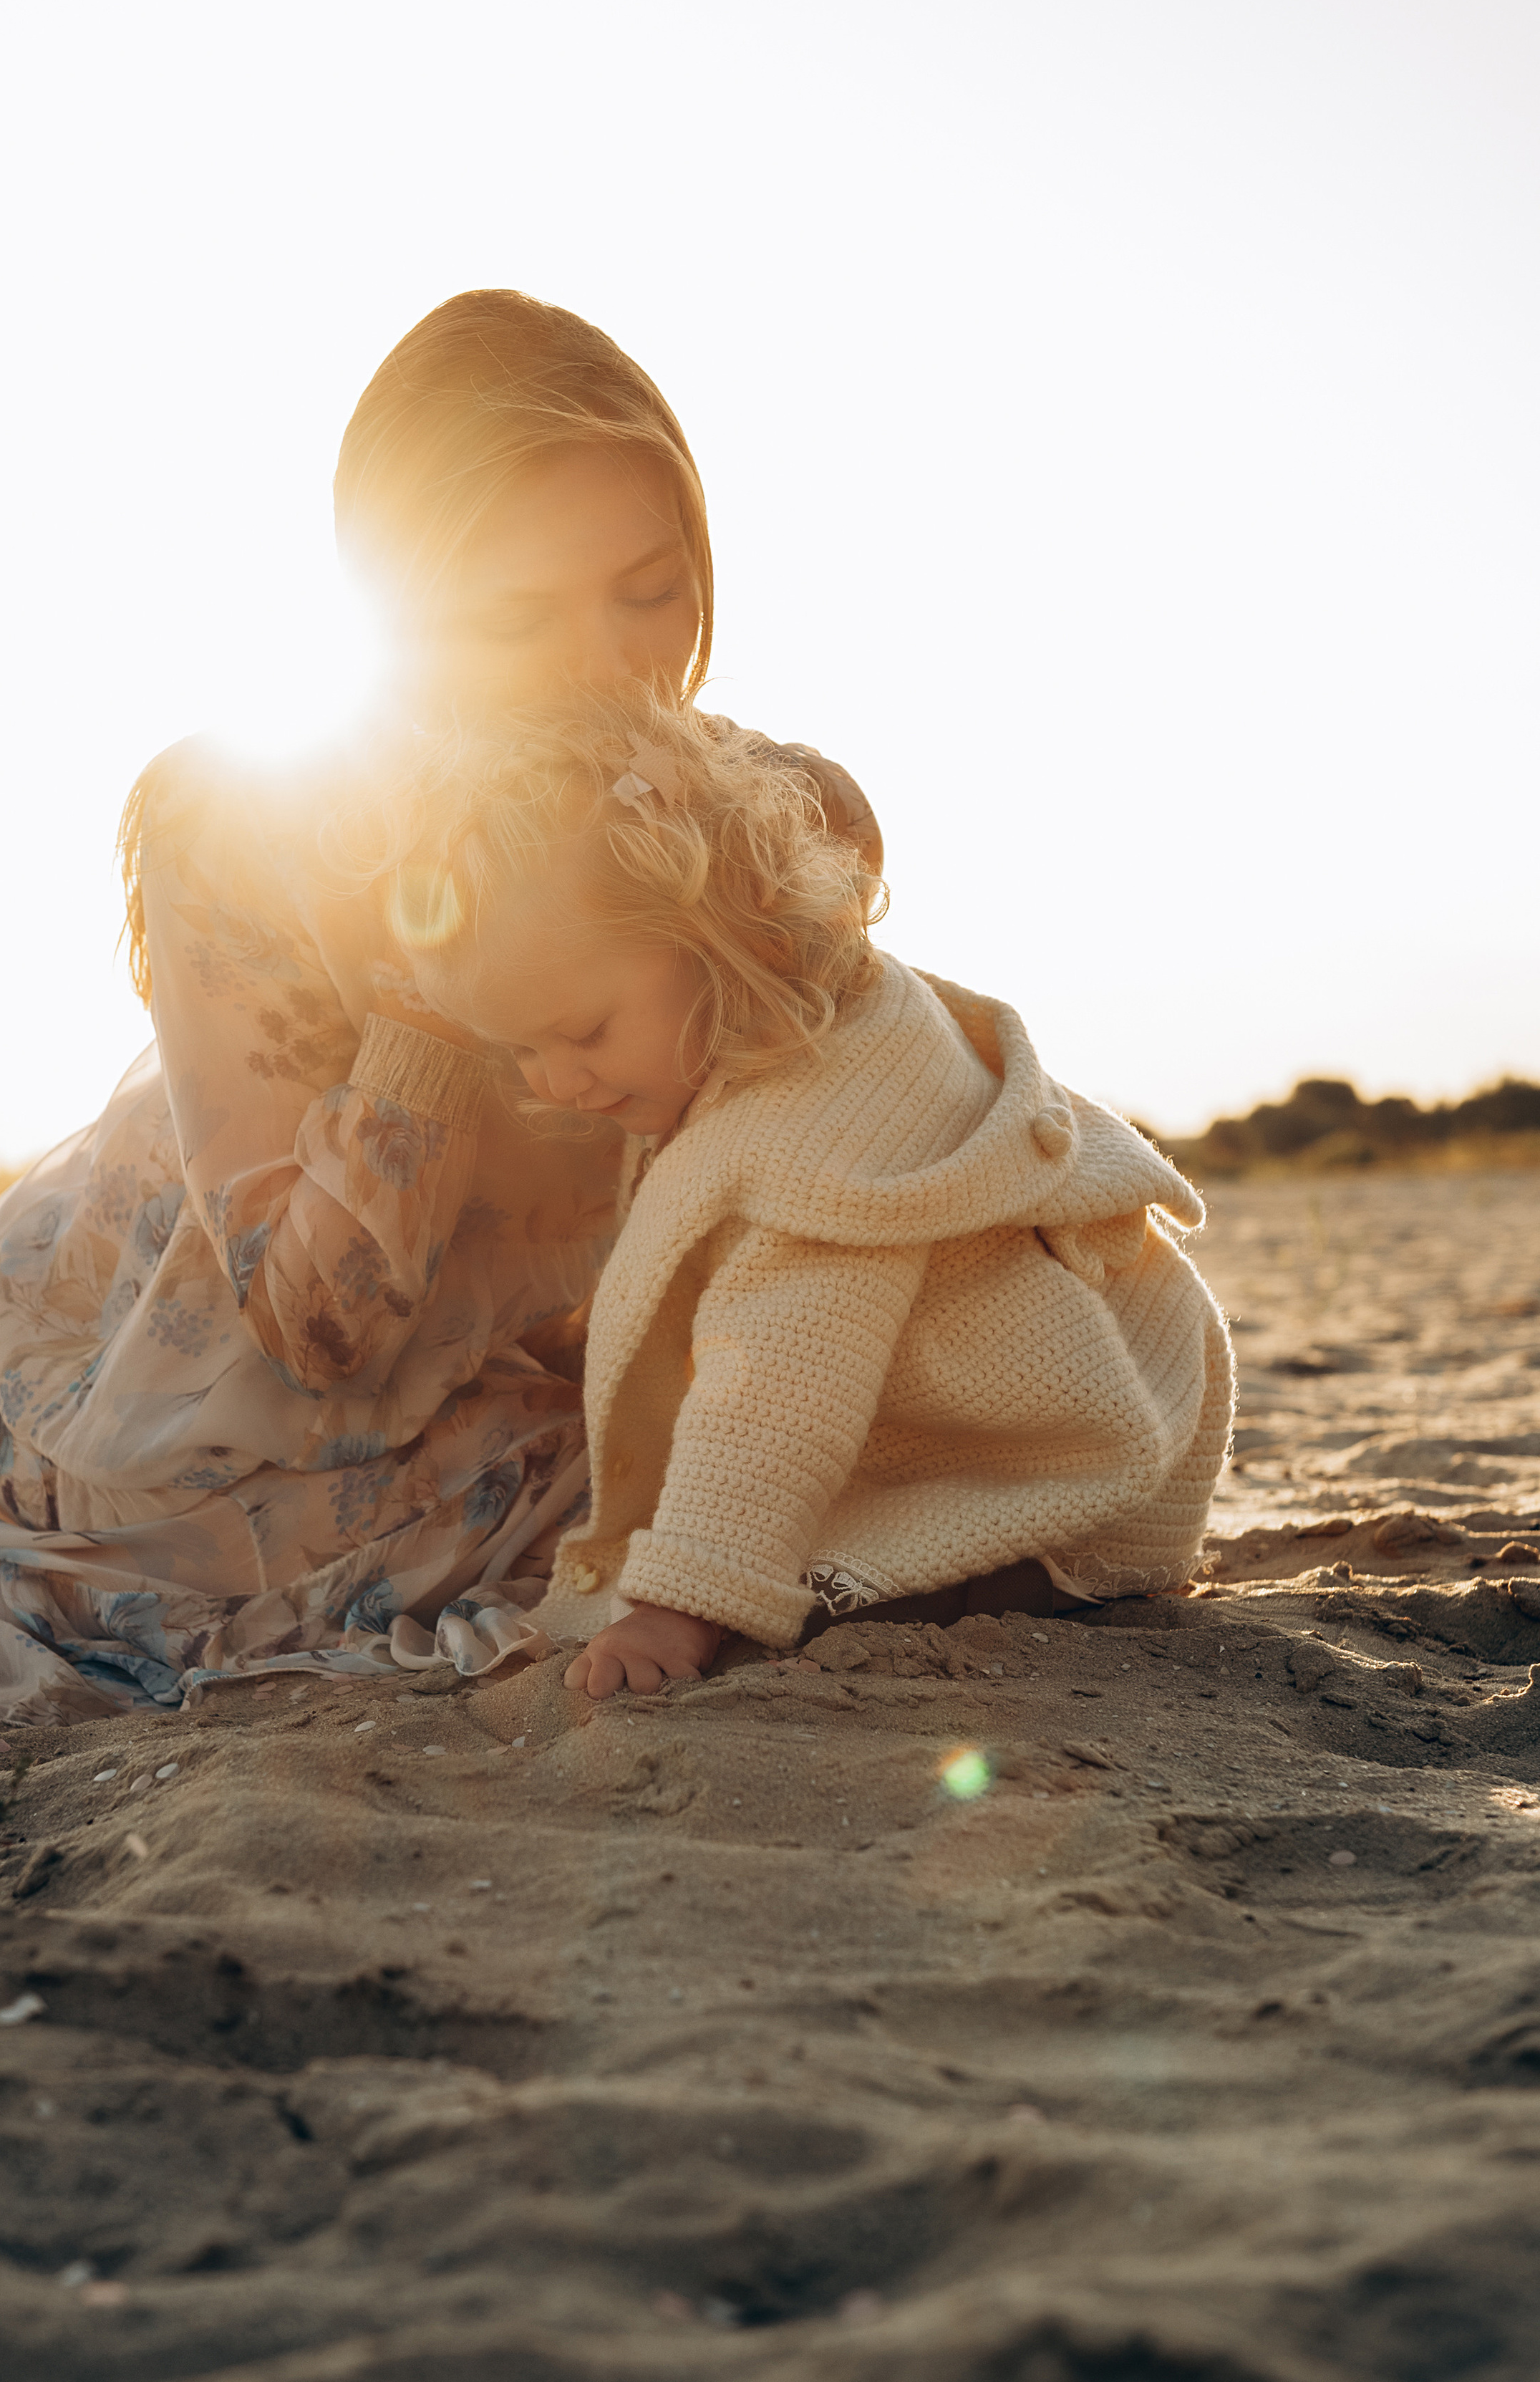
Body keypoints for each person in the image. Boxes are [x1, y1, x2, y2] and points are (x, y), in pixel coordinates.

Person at [0, 292, 879, 1722]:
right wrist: (455, 979)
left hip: (543, 1387)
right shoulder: (250, 816)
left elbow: (832, 1146)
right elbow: (320, 1331)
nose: (605, 666)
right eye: (515, 615)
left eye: (649, 592)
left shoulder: (747, 810)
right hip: (213, 1393)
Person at [372, 688, 1235, 1702]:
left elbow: (777, 1391)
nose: (555, 1081)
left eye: (584, 1030)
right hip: (1075, 1416)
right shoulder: (802, 1022)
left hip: (1062, 1483)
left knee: (789, 1602)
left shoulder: (821, 1134)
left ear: (716, 931)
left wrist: (679, 1609)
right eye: (521, 1048)